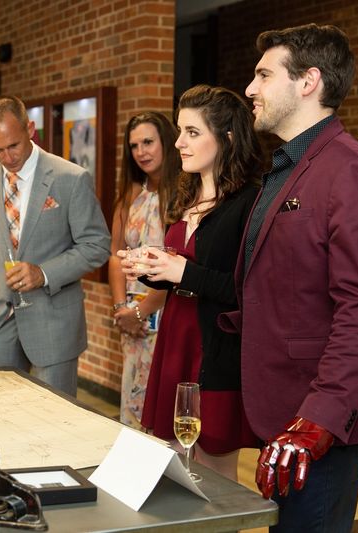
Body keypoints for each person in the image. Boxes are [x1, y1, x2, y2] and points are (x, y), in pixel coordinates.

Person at [221, 24, 358, 532]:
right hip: (279, 411)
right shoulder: (289, 168)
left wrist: (320, 419)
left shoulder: (350, 169)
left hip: (317, 421)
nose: (250, 88)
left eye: (264, 75)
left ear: (309, 81)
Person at [120, 85, 262, 480]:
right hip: (176, 337)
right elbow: (184, 269)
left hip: (214, 347)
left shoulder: (249, 203)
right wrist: (151, 269)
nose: (179, 142)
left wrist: (181, 272)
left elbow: (248, 289)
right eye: (180, 131)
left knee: (214, 467)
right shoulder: (188, 195)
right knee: (171, 462)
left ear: (228, 137)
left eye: (192, 132)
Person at [0, 95, 111, 396]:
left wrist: (43, 273)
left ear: (30, 129)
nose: (8, 157)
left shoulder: (70, 178)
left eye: (14, 146)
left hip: (53, 322)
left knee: (54, 423)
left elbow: (97, 245)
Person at [108, 112, 180, 429]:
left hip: (166, 309)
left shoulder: (184, 196)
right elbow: (114, 254)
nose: (141, 152)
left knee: (160, 403)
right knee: (132, 398)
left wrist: (143, 310)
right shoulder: (131, 196)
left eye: (148, 142)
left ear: (167, 141)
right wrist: (122, 308)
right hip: (132, 314)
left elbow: (180, 261)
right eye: (135, 145)